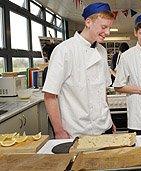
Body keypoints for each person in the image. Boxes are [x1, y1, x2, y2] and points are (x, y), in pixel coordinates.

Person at [42, 2, 116, 139]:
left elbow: (102, 91)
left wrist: (109, 121)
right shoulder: (64, 50)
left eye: (109, 28)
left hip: (104, 128)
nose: (107, 32)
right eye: (104, 27)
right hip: (76, 132)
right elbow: (49, 95)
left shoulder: (102, 51)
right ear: (88, 22)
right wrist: (58, 131)